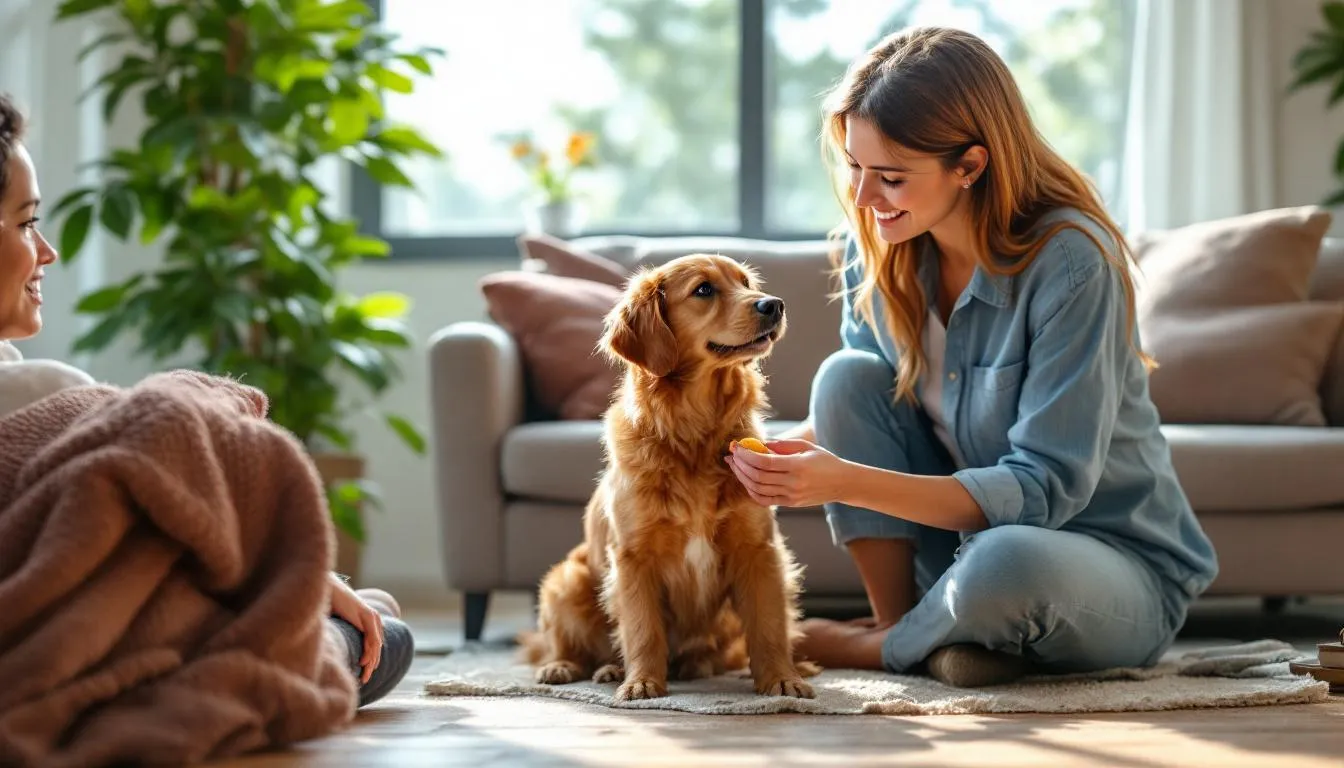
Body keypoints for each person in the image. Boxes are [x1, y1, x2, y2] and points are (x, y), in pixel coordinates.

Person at [725, 27, 1219, 688]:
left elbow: (1043, 488)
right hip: (961, 556)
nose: (864, 198)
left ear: (970, 166)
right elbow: (857, 415)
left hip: (1106, 565)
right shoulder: (879, 245)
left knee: (1004, 563)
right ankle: (926, 631)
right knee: (845, 376)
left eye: (891, 177)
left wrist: (842, 481)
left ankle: (881, 646)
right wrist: (767, 460)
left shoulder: (1072, 262)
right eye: (854, 167)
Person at [0, 91, 414, 706]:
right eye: (27, 222)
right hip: (109, 660)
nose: (48, 251)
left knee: (364, 612)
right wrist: (297, 575)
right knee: (383, 631)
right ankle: (300, 641)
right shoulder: (42, 393)